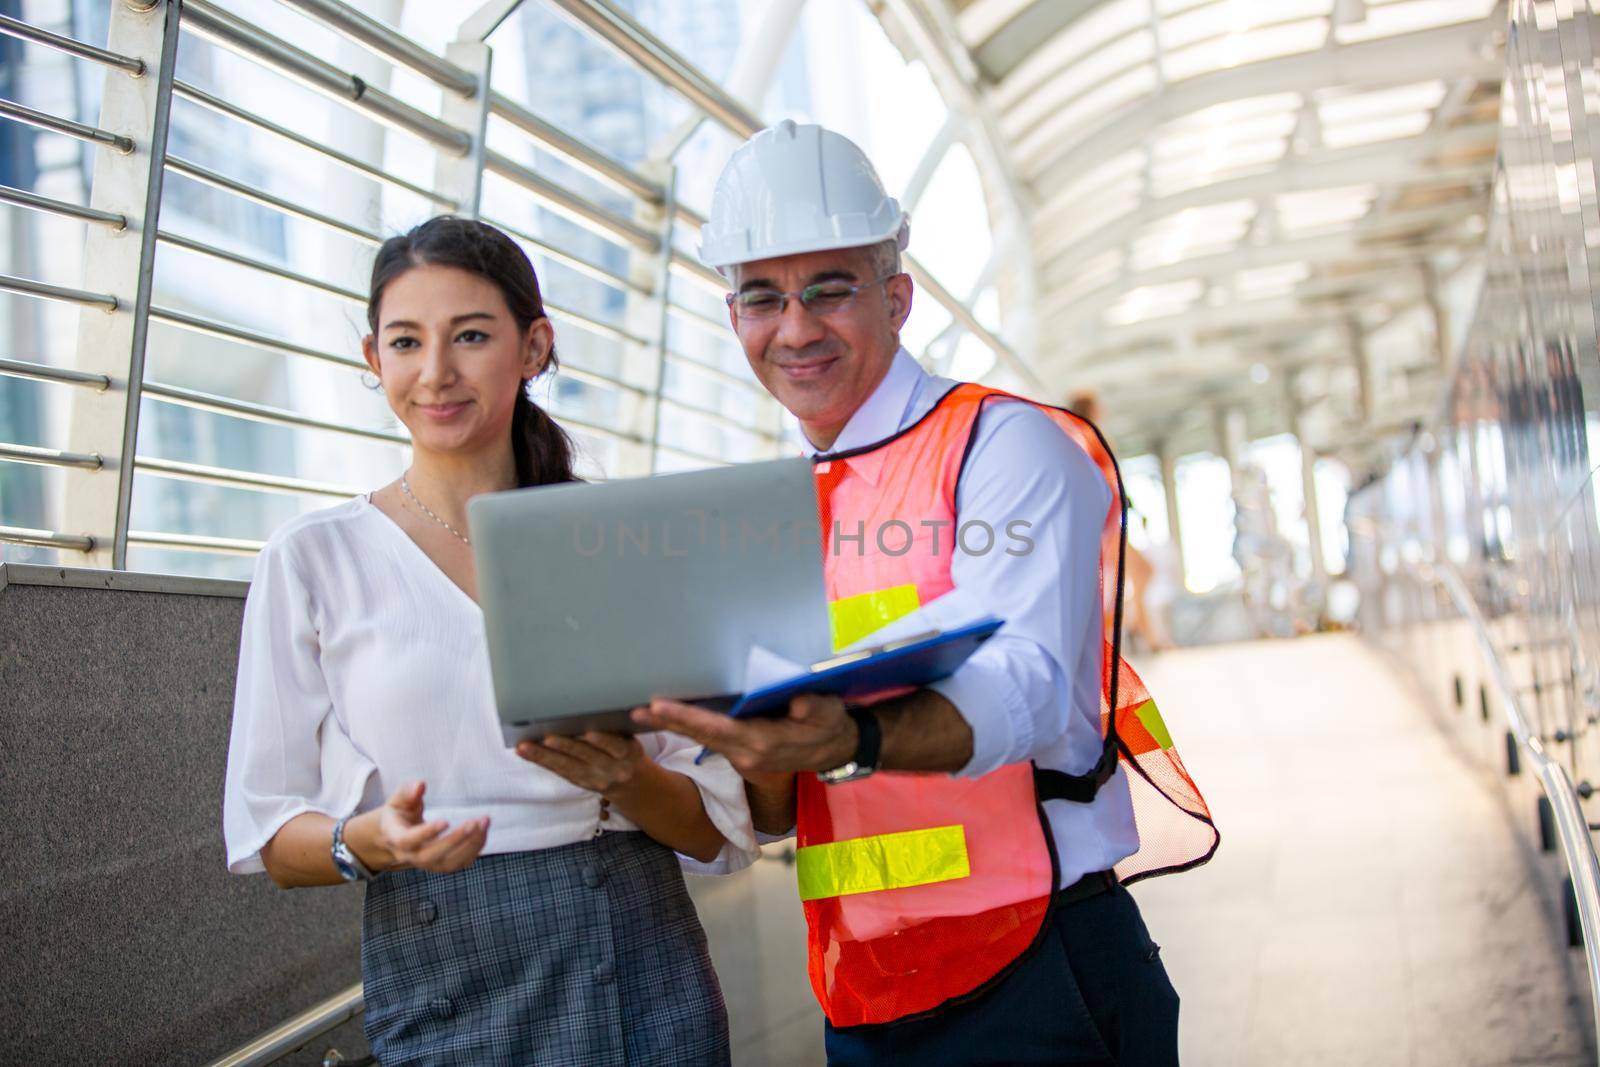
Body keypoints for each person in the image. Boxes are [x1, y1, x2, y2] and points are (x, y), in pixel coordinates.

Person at [633, 122, 1217, 1065]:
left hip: (1036, 970)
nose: (795, 327)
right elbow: (786, 806)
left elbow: (1023, 684)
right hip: (868, 993)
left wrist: (854, 735)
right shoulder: (774, 515)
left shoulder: (1005, 446)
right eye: (762, 298)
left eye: (830, 288)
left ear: (898, 296)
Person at [222, 216, 757, 1066]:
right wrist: (370, 841)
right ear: (374, 360)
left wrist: (631, 778)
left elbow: (718, 832)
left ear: (533, 347)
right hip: (438, 964)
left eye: (471, 336)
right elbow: (267, 834)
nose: (435, 373)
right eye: (406, 342)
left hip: (638, 953)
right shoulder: (314, 558)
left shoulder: (619, 543)